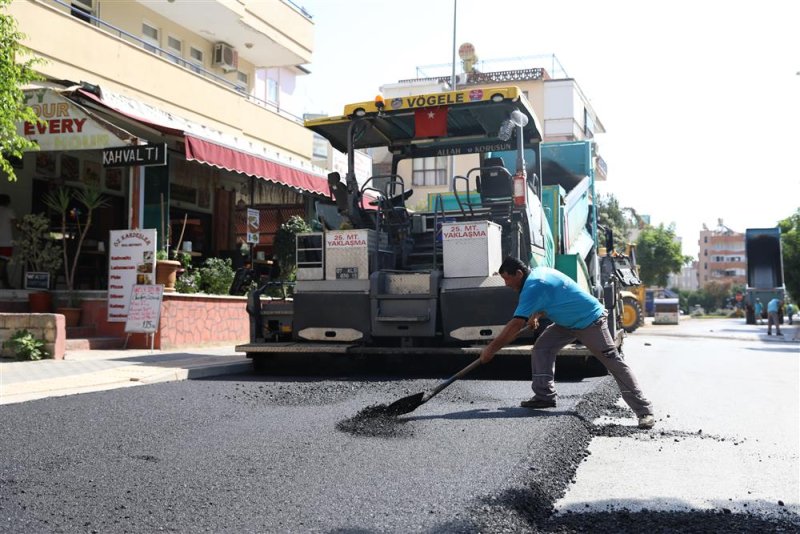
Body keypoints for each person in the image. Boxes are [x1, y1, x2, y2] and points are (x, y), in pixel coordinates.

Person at [480, 257, 655, 429]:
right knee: (542, 348)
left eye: (507, 279)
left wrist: (491, 349)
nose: (506, 284)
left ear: (518, 273)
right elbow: (552, 296)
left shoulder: (533, 285)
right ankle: (545, 396)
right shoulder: (538, 273)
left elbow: (515, 325)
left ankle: (644, 411)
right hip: (566, 323)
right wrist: (536, 315)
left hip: (590, 321)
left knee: (613, 362)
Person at [0, 194, 16, 289]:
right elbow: (16, 223)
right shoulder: (9, 211)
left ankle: (6, 284)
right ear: (7, 202)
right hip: (6, 241)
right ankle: (6, 284)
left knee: (2, 265)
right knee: (3, 264)